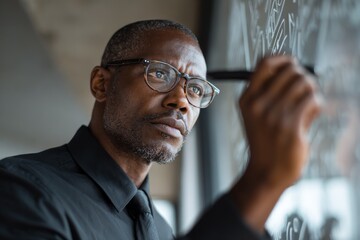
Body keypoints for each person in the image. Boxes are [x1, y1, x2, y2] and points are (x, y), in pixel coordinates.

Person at [0, 19, 322, 239]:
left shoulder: (163, 230)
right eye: (159, 74)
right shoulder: (23, 190)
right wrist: (261, 182)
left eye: (196, 89)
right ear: (101, 83)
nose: (181, 101)